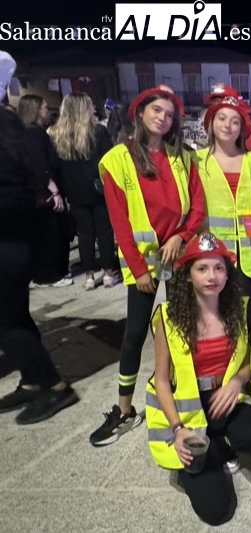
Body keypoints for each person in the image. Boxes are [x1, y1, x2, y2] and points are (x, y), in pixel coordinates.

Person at [89, 85, 206, 447]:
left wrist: (181, 237)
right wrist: (139, 270)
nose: (163, 118)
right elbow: (119, 223)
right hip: (144, 265)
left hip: (180, 256)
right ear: (140, 113)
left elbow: (198, 208)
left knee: (187, 331)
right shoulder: (116, 160)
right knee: (135, 334)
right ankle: (124, 409)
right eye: (156, 110)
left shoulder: (184, 158)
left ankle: (189, 397)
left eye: (169, 114)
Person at [146, 233, 251, 525]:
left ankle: (216, 442)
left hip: (224, 402)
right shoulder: (169, 317)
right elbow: (162, 381)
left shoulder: (239, 311)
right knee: (216, 511)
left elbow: (250, 364)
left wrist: (238, 381)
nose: (212, 276)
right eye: (202, 268)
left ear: (228, 274)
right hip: (187, 415)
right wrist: (177, 430)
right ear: (187, 275)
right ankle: (208, 448)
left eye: (219, 268)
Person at [0, 106, 80, 425]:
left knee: (8, 323)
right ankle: (33, 380)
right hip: (17, 245)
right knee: (14, 316)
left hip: (8, 245)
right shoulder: (17, 144)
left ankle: (55, 385)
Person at [196, 94, 251, 327]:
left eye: (235, 121)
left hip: (248, 253)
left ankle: (246, 361)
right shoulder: (196, 161)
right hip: (212, 254)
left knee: (247, 313)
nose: (228, 125)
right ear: (211, 123)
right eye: (221, 118)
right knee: (215, 315)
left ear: (243, 128)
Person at [49, 92, 122, 290]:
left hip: (74, 191)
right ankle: (108, 272)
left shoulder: (58, 135)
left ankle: (89, 275)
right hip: (97, 189)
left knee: (85, 233)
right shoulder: (97, 131)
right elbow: (109, 160)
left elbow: (55, 166)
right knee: (104, 231)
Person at [17, 94, 73, 288]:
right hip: (45, 194)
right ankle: (49, 276)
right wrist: (54, 191)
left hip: (38, 193)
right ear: (34, 110)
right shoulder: (33, 134)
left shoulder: (27, 132)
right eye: (44, 107)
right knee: (50, 234)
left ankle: (48, 273)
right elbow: (38, 166)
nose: (46, 110)